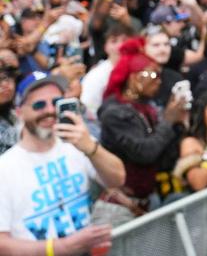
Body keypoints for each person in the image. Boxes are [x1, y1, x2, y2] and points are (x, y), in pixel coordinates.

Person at [0, 71, 123, 251]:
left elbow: (117, 180)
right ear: (20, 113)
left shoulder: (78, 143)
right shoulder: (5, 168)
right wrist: (61, 247)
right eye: (39, 105)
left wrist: (91, 148)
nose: (49, 111)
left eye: (56, 103)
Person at [97, 38, 189, 214]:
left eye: (159, 75)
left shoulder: (147, 108)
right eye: (153, 75)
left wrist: (178, 124)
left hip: (147, 198)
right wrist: (168, 121)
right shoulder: (115, 113)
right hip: (121, 205)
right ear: (134, 78)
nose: (159, 81)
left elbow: (162, 154)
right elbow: (144, 153)